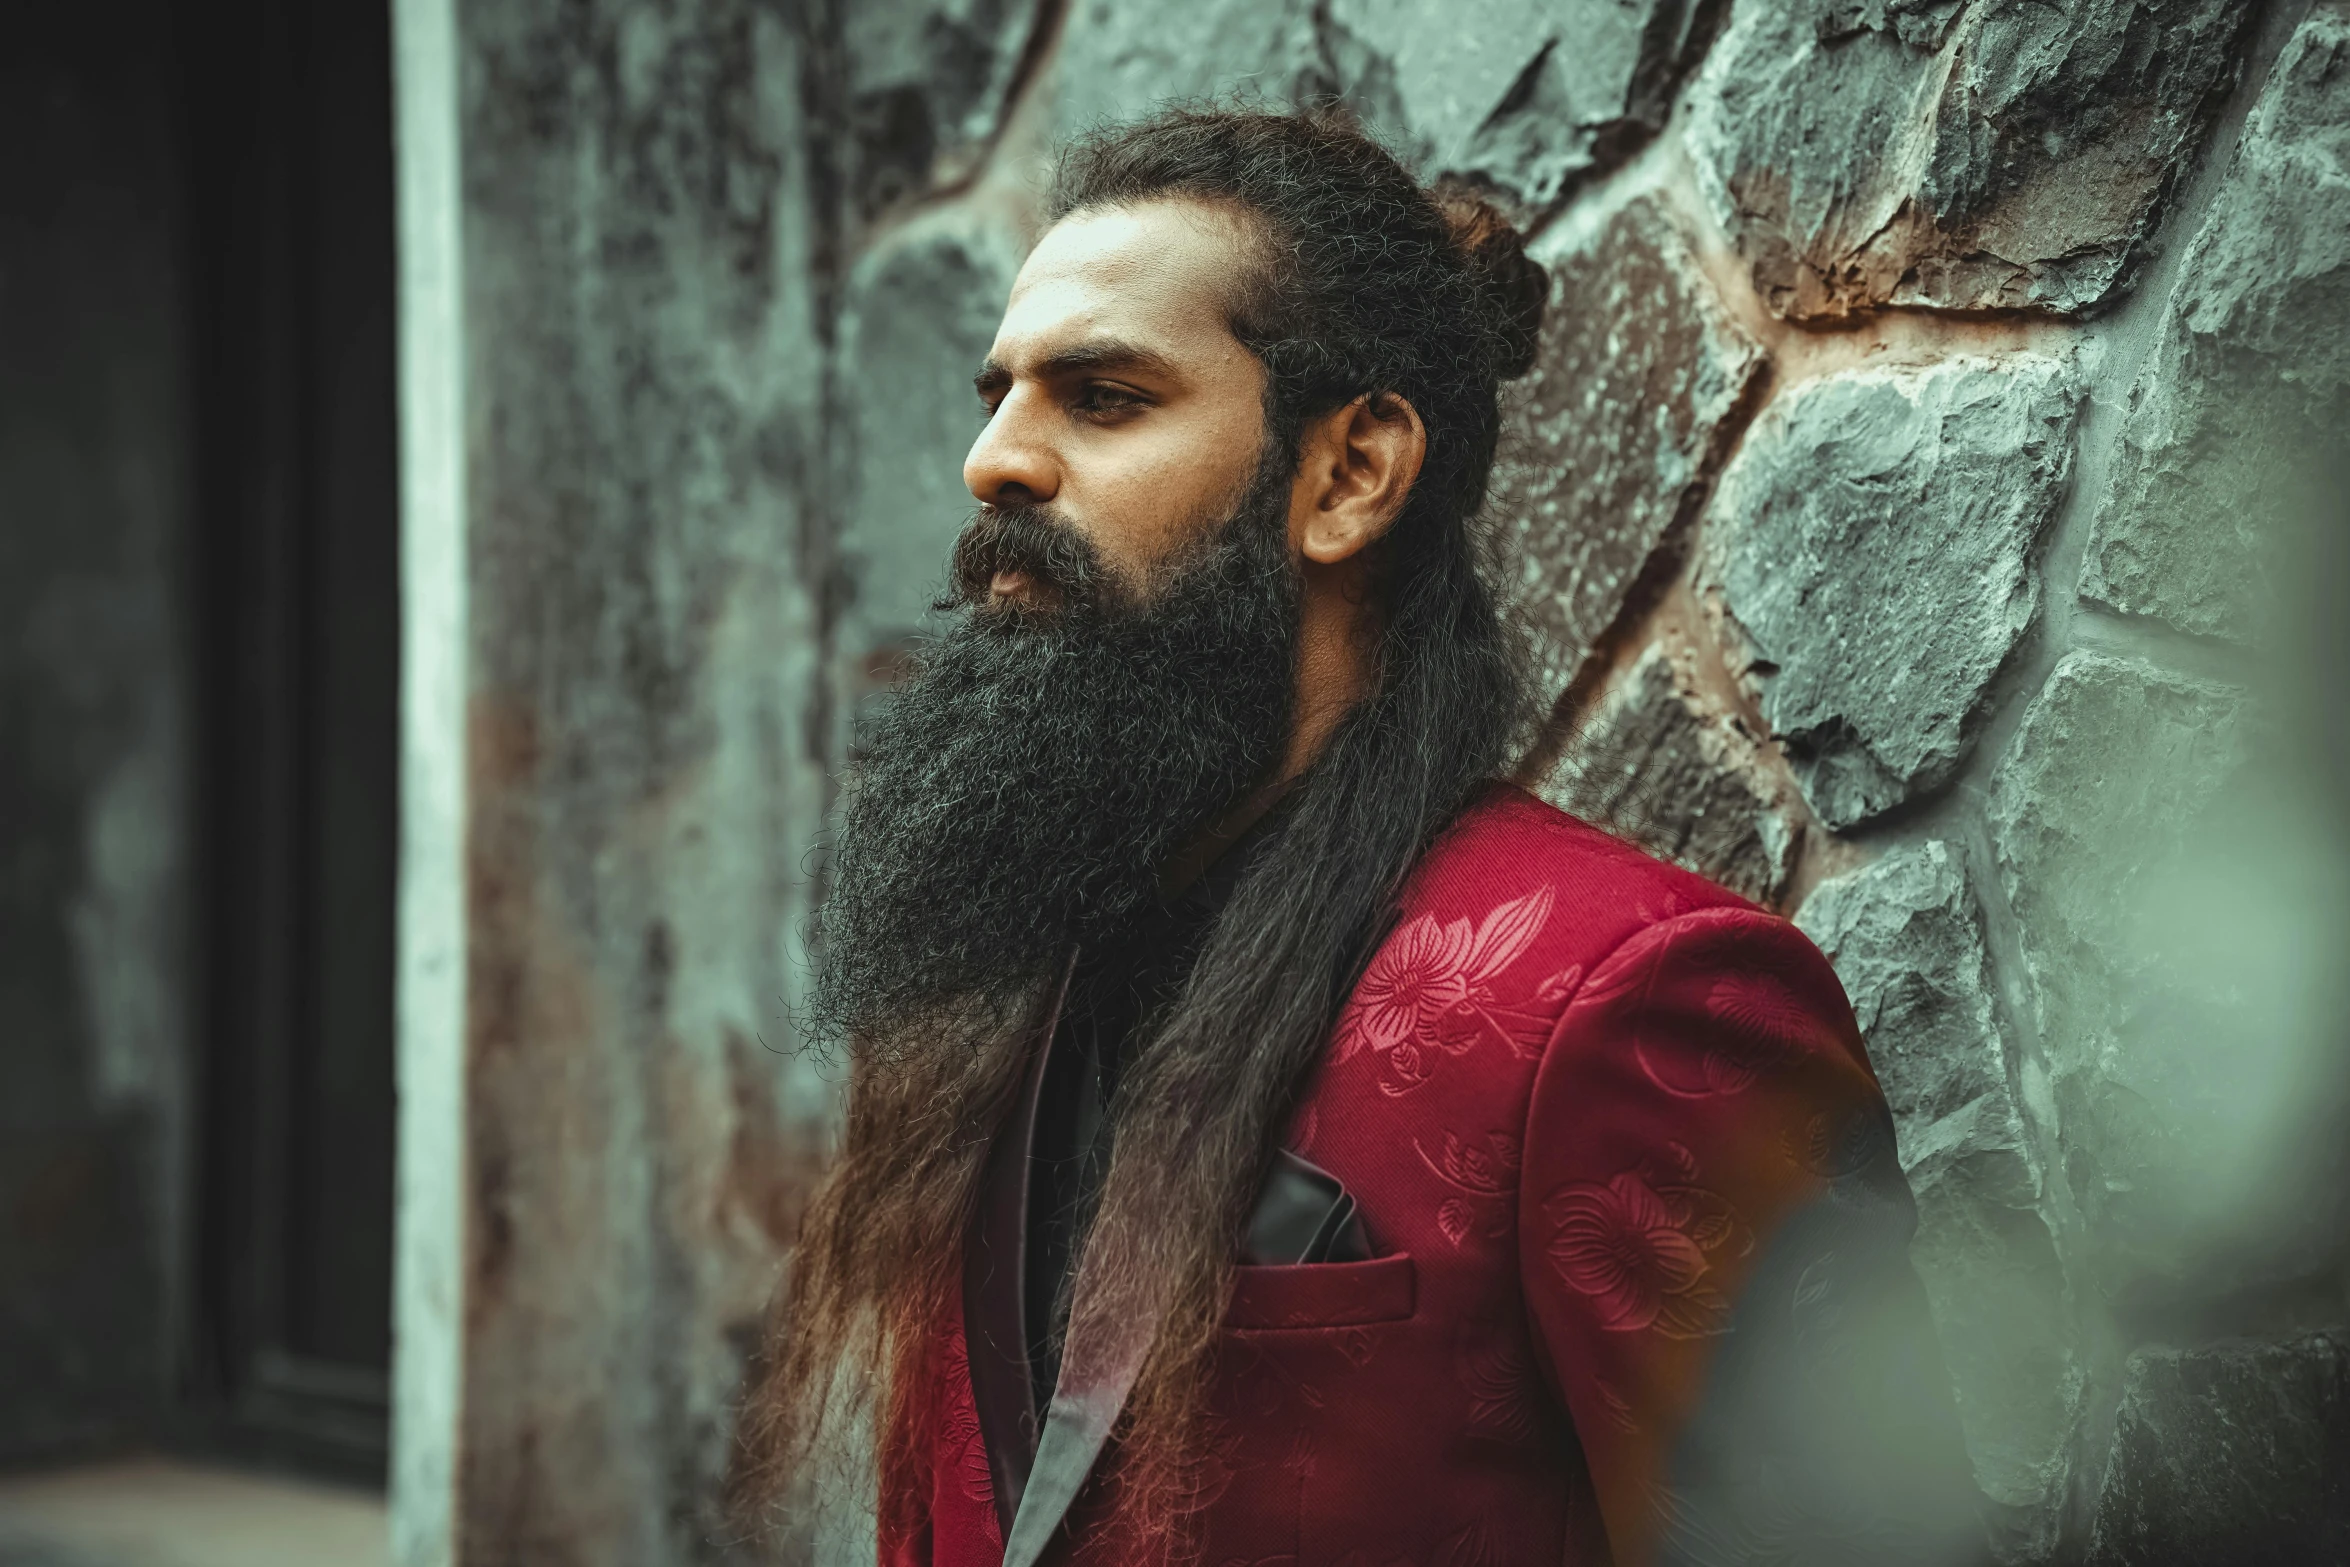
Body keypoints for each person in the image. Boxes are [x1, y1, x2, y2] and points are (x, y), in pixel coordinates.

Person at [733, 107, 1984, 1567]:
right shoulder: (988, 971)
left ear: (1349, 474)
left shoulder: (1626, 998)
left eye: (1103, 396)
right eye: (996, 392)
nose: (994, 461)